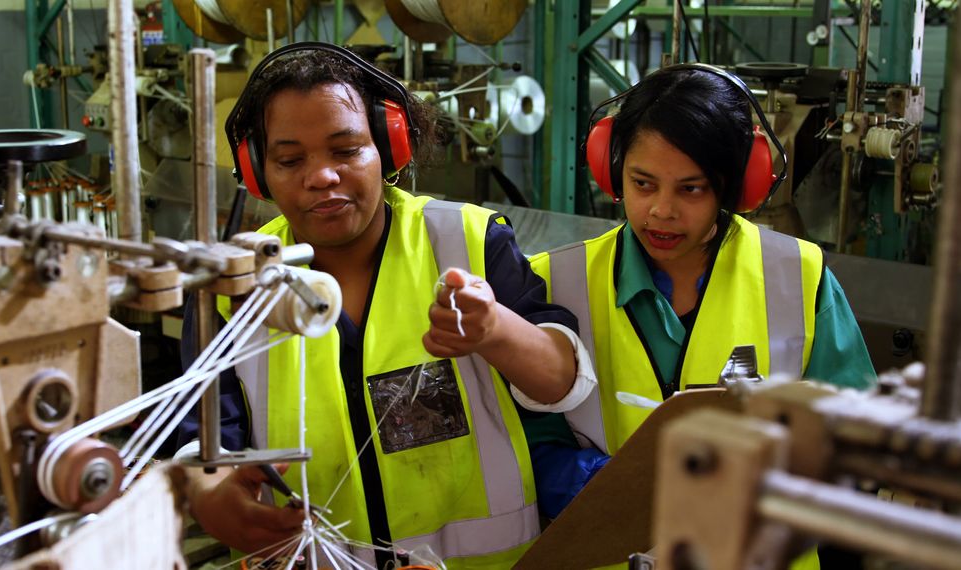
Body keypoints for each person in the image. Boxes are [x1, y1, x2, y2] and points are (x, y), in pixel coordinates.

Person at [177, 43, 596, 569]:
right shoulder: (234, 283)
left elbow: (564, 383)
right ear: (259, 173)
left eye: (346, 150)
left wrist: (495, 330)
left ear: (389, 149)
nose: (322, 176)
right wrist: (208, 491)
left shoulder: (468, 241)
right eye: (290, 160)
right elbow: (200, 434)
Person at [527, 64, 876, 568]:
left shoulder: (797, 278)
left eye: (691, 190)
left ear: (735, 189)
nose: (661, 211)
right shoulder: (554, 284)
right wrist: (615, 490)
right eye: (643, 183)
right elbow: (525, 444)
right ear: (611, 171)